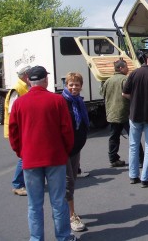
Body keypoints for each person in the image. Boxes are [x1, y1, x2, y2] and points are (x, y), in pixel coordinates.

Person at [8, 65, 77, 241]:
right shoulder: (57, 100)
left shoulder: (20, 103)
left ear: (29, 81)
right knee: (58, 201)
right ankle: (63, 237)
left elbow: (13, 133)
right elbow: (67, 131)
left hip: (30, 159)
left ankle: (36, 238)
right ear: (45, 80)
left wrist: (21, 152)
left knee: (34, 204)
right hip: (55, 157)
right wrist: (64, 151)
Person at [122, 53, 148, 188]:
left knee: (133, 145)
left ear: (147, 61)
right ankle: (146, 178)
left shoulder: (134, 73)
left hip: (134, 115)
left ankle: (133, 176)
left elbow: (125, 93)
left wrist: (134, 99)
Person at [101, 59, 144, 167]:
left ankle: (113, 159)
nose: (128, 69)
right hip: (125, 113)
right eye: (126, 67)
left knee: (114, 137)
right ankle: (140, 160)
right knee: (134, 137)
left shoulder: (108, 81)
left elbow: (102, 93)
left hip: (112, 113)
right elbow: (132, 94)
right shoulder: (125, 79)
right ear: (121, 68)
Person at [62, 72, 89, 232]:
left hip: (75, 148)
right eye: (71, 84)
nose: (74, 87)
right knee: (68, 182)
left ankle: (66, 210)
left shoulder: (79, 101)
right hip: (64, 149)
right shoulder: (62, 101)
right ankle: (71, 216)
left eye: (77, 84)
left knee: (72, 179)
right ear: (66, 85)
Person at [3, 64, 31, 196]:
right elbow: (13, 112)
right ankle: (17, 184)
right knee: (24, 156)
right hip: (19, 129)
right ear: (26, 75)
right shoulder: (17, 89)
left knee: (25, 156)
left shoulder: (25, 86)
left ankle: (21, 183)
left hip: (24, 127)